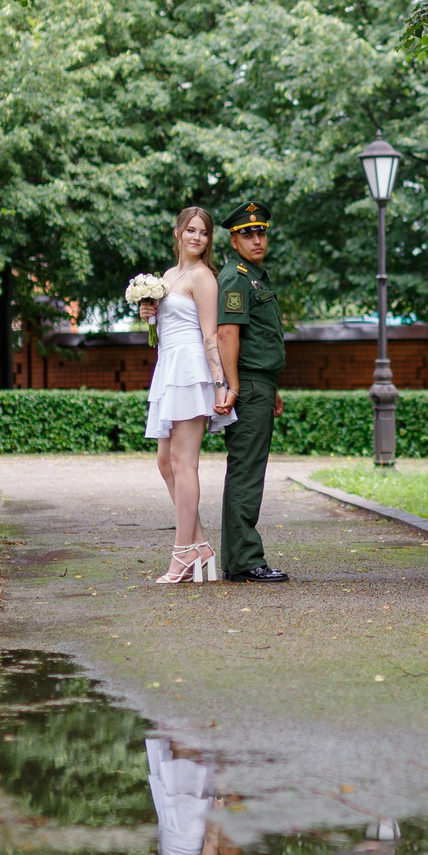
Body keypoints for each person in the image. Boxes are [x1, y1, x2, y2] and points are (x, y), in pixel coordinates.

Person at [142, 205, 233, 584]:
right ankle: (198, 545)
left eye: (204, 232)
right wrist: (150, 316)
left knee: (184, 463)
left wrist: (220, 384)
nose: (197, 237)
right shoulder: (168, 276)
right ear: (178, 232)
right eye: (191, 230)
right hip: (169, 367)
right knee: (166, 463)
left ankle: (182, 554)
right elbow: (165, 332)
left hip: (192, 371)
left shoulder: (203, 278)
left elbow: (210, 336)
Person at [214, 202, 288, 583]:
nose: (256, 239)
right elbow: (228, 333)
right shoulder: (237, 277)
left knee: (245, 470)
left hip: (261, 383)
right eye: (248, 233)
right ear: (233, 239)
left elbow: (260, 337)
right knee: (246, 471)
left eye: (261, 232)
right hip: (248, 384)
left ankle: (238, 560)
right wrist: (236, 384)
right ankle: (245, 559)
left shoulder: (255, 275)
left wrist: (271, 386)